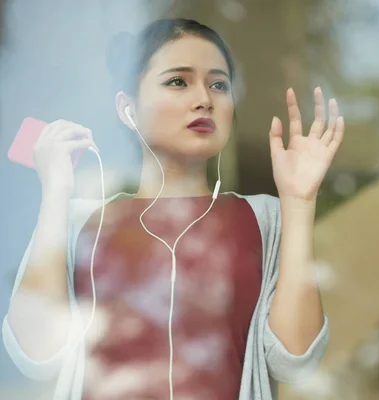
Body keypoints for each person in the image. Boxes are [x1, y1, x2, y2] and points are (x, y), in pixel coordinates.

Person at [2, 18, 344, 400]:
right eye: (178, 81)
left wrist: (299, 202)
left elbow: (295, 361)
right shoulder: (85, 222)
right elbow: (37, 352)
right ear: (127, 108)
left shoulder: (265, 218)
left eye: (219, 84)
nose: (204, 99)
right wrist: (55, 192)